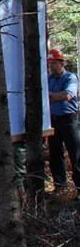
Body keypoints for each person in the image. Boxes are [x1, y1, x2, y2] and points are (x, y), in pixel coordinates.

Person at [46, 48, 80, 200]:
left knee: (76, 154)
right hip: (53, 120)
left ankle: (79, 188)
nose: (52, 66)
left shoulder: (70, 77)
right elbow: (44, 97)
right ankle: (60, 185)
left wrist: (52, 96)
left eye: (54, 63)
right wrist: (54, 97)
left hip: (69, 120)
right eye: (50, 63)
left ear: (62, 63)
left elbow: (67, 95)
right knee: (55, 154)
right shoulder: (48, 79)